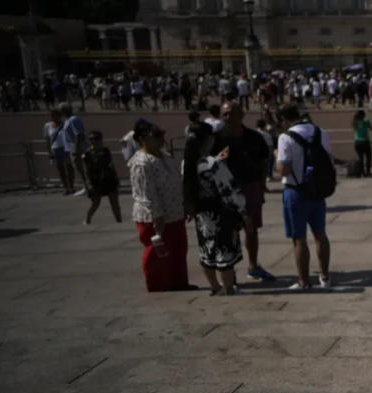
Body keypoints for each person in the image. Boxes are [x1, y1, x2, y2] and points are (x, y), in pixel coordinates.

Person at [183, 122, 247, 296]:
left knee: (206, 250)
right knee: (224, 252)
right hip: (221, 212)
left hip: (202, 214)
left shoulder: (187, 163)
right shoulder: (213, 164)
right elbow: (229, 190)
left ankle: (214, 286)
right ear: (209, 139)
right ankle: (228, 289)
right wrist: (242, 211)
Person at [128, 121, 191, 292]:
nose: (162, 138)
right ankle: (158, 284)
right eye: (156, 135)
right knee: (156, 251)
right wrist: (156, 214)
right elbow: (145, 192)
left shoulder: (165, 156)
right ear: (143, 139)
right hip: (155, 216)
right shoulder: (141, 162)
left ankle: (179, 281)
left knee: (178, 249)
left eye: (162, 133)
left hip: (175, 212)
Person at [276, 104, 332, 290]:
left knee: (299, 239)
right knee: (320, 235)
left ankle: (304, 281)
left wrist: (277, 157)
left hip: (295, 191)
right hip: (317, 190)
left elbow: (283, 169)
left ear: (284, 120)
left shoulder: (285, 137)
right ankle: (324, 276)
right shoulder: (320, 132)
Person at [216, 101, 274, 283]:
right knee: (229, 231)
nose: (227, 117)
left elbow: (264, 162)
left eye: (231, 113)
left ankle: (253, 266)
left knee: (251, 229)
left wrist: (262, 185)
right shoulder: (216, 138)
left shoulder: (254, 137)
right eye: (224, 114)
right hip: (226, 191)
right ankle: (229, 271)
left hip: (251, 187)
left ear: (241, 115)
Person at [80, 131, 122, 225]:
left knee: (115, 203)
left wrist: (116, 177)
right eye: (91, 139)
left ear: (101, 140)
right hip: (96, 181)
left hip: (109, 179)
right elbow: (86, 170)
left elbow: (111, 165)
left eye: (96, 139)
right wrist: (88, 183)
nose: (94, 141)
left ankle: (119, 221)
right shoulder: (87, 154)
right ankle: (87, 219)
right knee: (95, 203)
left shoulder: (106, 151)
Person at [58, 104, 89, 197]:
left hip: (77, 148)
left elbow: (78, 135)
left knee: (83, 168)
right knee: (80, 169)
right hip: (71, 148)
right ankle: (87, 186)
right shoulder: (68, 120)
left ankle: (88, 187)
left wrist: (76, 149)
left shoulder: (73, 119)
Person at [44, 108, 74, 194]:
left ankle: (71, 186)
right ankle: (66, 188)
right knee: (61, 169)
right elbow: (47, 140)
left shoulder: (65, 124)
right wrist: (49, 152)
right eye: (51, 116)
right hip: (56, 149)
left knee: (69, 168)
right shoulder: (47, 126)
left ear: (59, 116)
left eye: (54, 115)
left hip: (66, 148)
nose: (52, 117)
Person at [351, 110, 372, 177]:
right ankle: (368, 172)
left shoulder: (354, 121)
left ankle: (362, 172)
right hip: (365, 141)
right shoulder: (366, 120)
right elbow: (371, 128)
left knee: (361, 158)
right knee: (368, 157)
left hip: (357, 142)